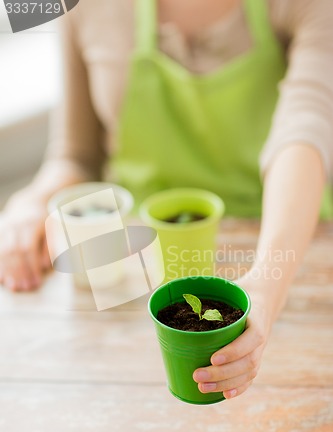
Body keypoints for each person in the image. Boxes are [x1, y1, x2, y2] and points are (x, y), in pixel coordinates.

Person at [0, 0, 332, 400]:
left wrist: (265, 286)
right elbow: (76, 156)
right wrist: (34, 200)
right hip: (133, 274)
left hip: (282, 254)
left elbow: (306, 129)